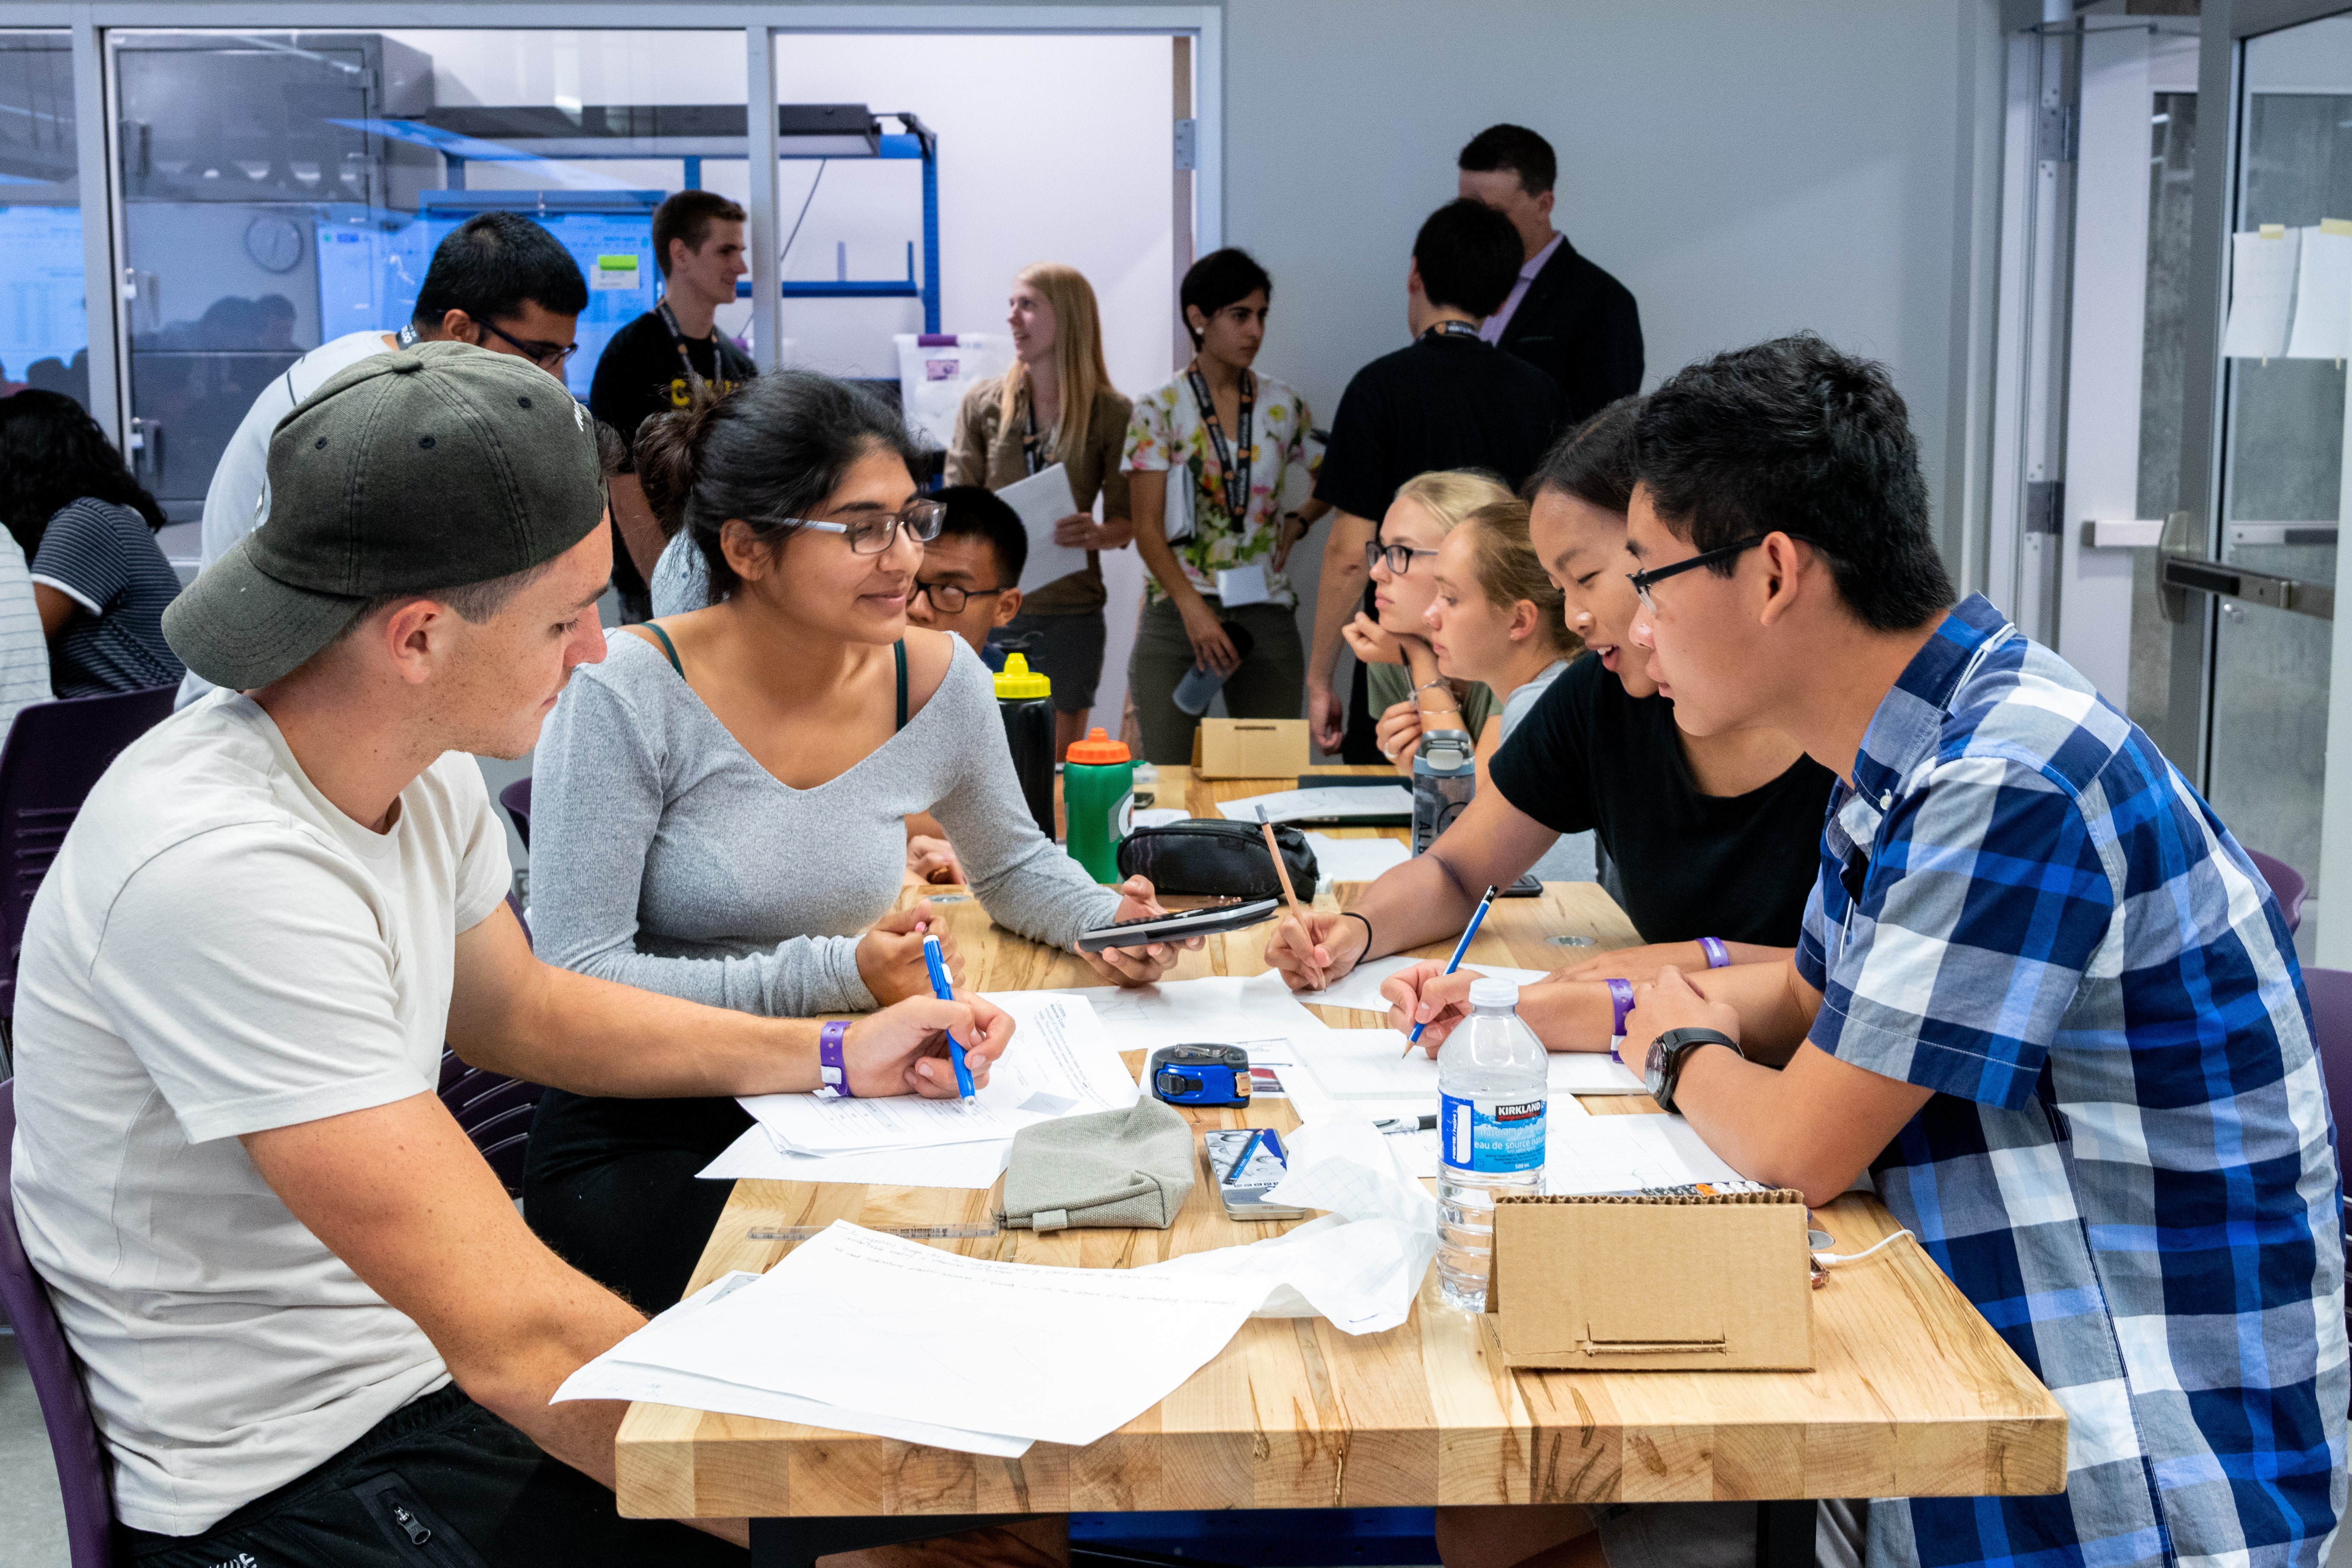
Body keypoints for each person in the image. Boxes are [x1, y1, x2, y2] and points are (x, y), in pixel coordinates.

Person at [9, 341, 1057, 1567]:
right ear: (416, 637)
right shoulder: (220, 865)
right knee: (951, 1541)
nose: (596, 649)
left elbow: (529, 1013)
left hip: (422, 1384)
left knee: (995, 1503)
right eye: (566, 617)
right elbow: (514, 1334)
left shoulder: (415, 762)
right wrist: (825, 1526)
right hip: (295, 1477)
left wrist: (835, 1051)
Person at [1411, 336, 2347, 1568]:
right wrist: (1575, 1006)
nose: (1630, 628)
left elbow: (1797, 1146)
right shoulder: (1901, 753)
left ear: (1772, 573)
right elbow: (1808, 997)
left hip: (2124, 1464)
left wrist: (1673, 1036)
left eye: (1645, 578)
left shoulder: (2005, 779)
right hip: (1968, 1370)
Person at [525, 369, 1197, 1312]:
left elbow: (1009, 862)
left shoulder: (936, 676)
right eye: (860, 529)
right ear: (748, 550)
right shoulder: (626, 694)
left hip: (849, 1085)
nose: (903, 560)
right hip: (649, 1112)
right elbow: (575, 976)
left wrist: (1108, 925)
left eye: (908, 520)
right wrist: (839, 977)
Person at [1266, 400, 1831, 1013]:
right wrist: (1356, 930)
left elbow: (1838, 986)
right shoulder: (1599, 696)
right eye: (1560, 589)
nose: (1573, 618)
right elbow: (1457, 870)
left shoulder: (1845, 739)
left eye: (1588, 578)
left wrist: (1606, 996)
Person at [177, 210, 588, 707]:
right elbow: (304, 602)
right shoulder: (360, 399)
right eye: (543, 354)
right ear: (460, 328)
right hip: (252, 699)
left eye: (565, 355)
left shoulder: (422, 389)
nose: (556, 379)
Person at [1307, 199, 1568, 763]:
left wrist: (1319, 676)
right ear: (1502, 300)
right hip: (1505, 628)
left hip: (1441, 658)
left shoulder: (1379, 388)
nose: (1382, 566)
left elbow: (1351, 554)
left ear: (1414, 275)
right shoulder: (1540, 392)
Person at [1124, 248, 1321, 765]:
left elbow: (1340, 478)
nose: (1255, 331)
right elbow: (1145, 528)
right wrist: (1192, 609)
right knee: (1166, 773)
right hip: (1179, 609)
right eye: (1240, 316)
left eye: (1261, 316)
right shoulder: (1160, 407)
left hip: (1265, 607)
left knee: (1269, 776)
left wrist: (1301, 519)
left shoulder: (1284, 404)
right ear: (1198, 319)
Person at [947, 263, 1134, 757]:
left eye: (1027, 305)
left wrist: (1095, 533)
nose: (1012, 318)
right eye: (1011, 305)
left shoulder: (1111, 412)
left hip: (1072, 613)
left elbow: (1127, 524)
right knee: (983, 760)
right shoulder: (983, 404)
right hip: (992, 608)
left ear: (1068, 318)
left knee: (1057, 766)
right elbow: (954, 507)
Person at [590, 190, 755, 620]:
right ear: (680, 253)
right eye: (727, 251)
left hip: (729, 580)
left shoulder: (739, 364)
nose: (741, 266)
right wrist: (672, 596)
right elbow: (623, 490)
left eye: (741, 251)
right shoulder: (628, 356)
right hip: (655, 592)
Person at [0, 388, 184, 697]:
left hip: (134, 726)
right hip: (118, 719)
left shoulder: (87, 522)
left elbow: (18, 642)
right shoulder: (105, 515)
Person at [1456, 123, 1643, 423]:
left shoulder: (1603, 302)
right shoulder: (1451, 279)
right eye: (1465, 210)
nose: (1476, 226)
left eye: (1495, 214)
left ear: (1544, 204)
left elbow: (1602, 437)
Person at [1333, 469, 1513, 775]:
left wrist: (1419, 660)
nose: (1376, 571)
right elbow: (1441, 791)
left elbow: (1472, 792)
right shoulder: (1393, 644)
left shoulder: (1512, 648)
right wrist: (1411, 766)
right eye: (1380, 549)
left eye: (1400, 552)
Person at [904, 483, 1028, 885]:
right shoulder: (845, 680)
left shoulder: (1005, 696)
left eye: (950, 591)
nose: (918, 608)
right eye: (907, 583)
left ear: (1005, 607)